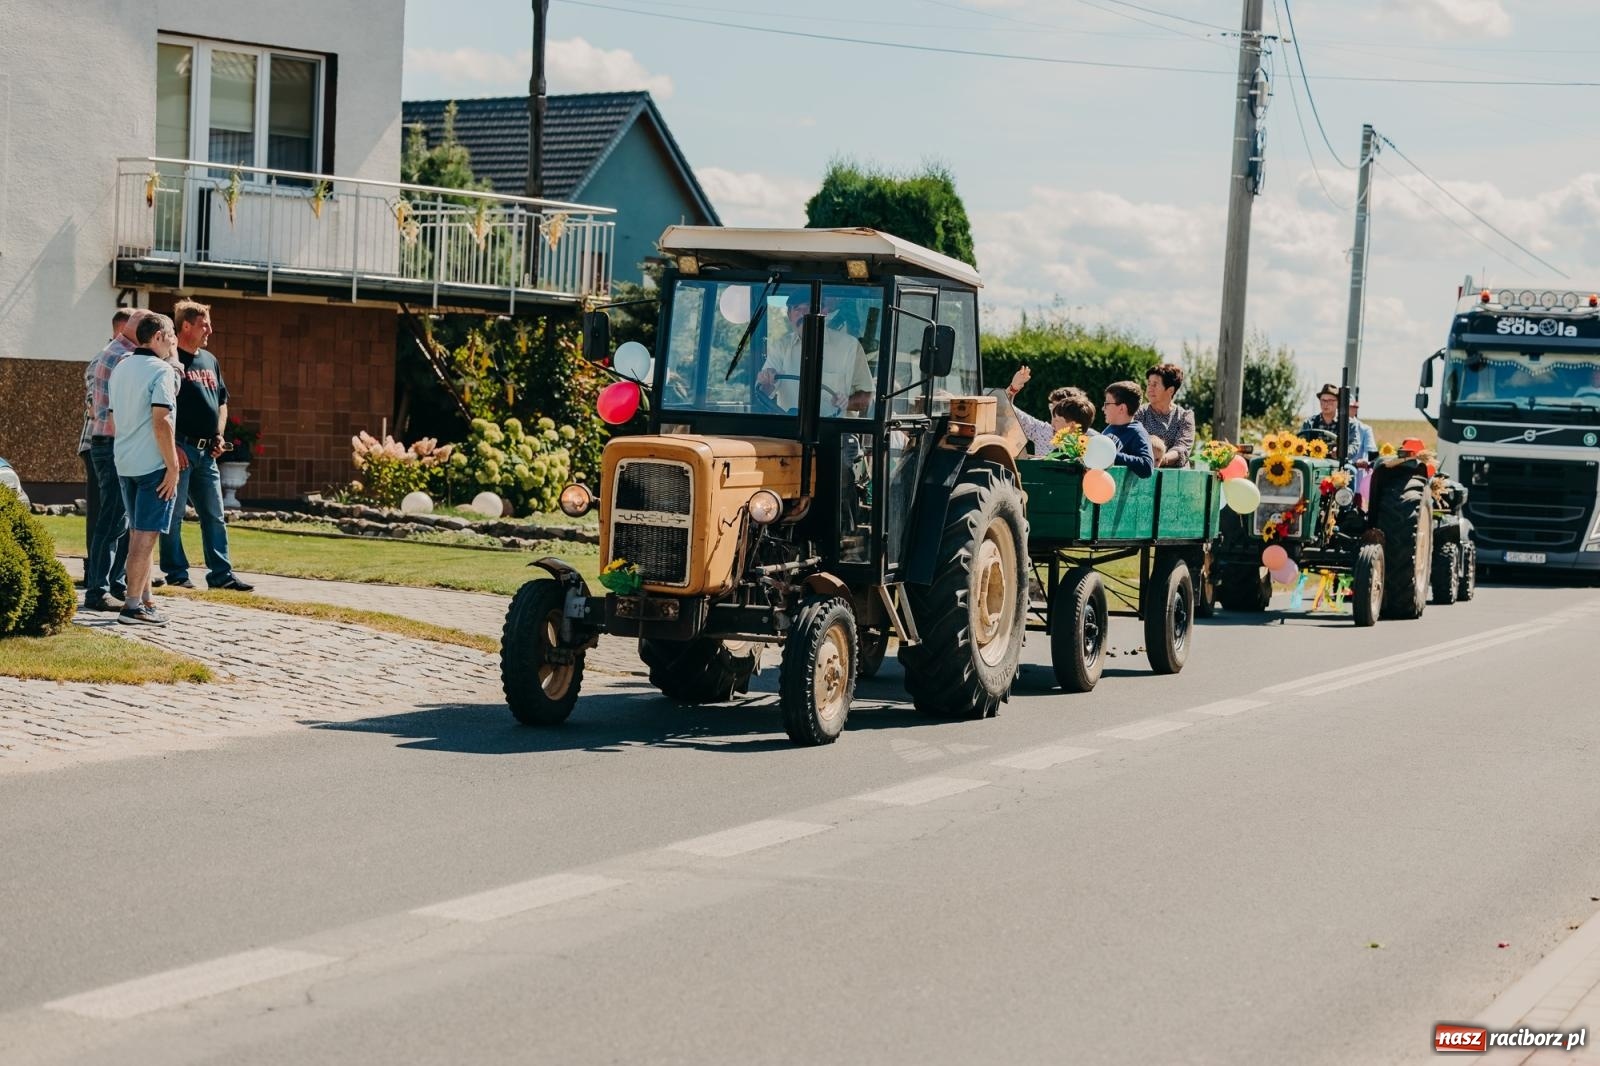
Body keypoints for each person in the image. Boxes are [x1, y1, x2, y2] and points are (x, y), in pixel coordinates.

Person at [158, 299, 253, 591]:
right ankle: (176, 573)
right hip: (181, 450)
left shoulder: (210, 360)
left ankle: (221, 575)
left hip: (207, 452)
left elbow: (222, 401)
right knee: (172, 516)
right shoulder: (171, 364)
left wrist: (219, 436)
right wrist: (173, 446)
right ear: (186, 326)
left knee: (214, 515)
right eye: (204, 324)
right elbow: (162, 408)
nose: (210, 329)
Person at [107, 314, 182, 626]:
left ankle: (146, 599)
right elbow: (161, 420)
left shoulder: (121, 368)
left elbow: (113, 419)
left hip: (125, 462)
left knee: (140, 533)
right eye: (172, 334)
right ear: (159, 336)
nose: (173, 341)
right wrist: (173, 467)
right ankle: (132, 606)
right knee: (144, 538)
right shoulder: (161, 370)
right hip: (153, 465)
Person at [81, 308, 150, 611]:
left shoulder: (118, 352)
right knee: (111, 519)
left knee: (118, 518)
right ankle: (98, 589)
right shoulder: (122, 356)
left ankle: (114, 583)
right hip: (111, 442)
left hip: (111, 441)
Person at [756, 292, 874, 417]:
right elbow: (764, 393)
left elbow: (866, 397)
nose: (803, 314)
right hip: (789, 431)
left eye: (808, 308)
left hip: (836, 431)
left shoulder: (849, 346)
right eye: (797, 309)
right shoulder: (780, 348)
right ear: (789, 316)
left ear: (824, 312)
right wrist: (766, 381)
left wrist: (846, 402)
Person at [1135, 362, 1196, 468]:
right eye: (1149, 383)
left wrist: (1160, 460)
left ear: (1170, 390)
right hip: (1144, 475)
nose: (1149, 388)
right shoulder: (1139, 412)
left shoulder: (1185, 417)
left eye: (1155, 384)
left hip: (1176, 479)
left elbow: (1182, 449)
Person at [1101, 380, 1154, 478]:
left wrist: (1112, 455)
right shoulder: (1108, 429)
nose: (1103, 408)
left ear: (1121, 408)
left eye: (1107, 404)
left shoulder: (1137, 432)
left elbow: (1147, 466)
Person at [1301, 383, 1362, 460]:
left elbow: (1354, 445)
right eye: (1323, 400)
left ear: (1338, 403)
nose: (1325, 404)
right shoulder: (1309, 423)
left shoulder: (1349, 424)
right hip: (1314, 464)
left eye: (1330, 401)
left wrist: (1341, 452)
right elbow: (1301, 443)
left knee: (1350, 470)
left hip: (1339, 463)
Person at [1347, 396, 1378, 461]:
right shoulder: (1330, 426)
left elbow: (1372, 453)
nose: (1343, 411)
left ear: (1355, 409)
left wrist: (1365, 461)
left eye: (1349, 407)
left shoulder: (1365, 429)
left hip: (1356, 469)